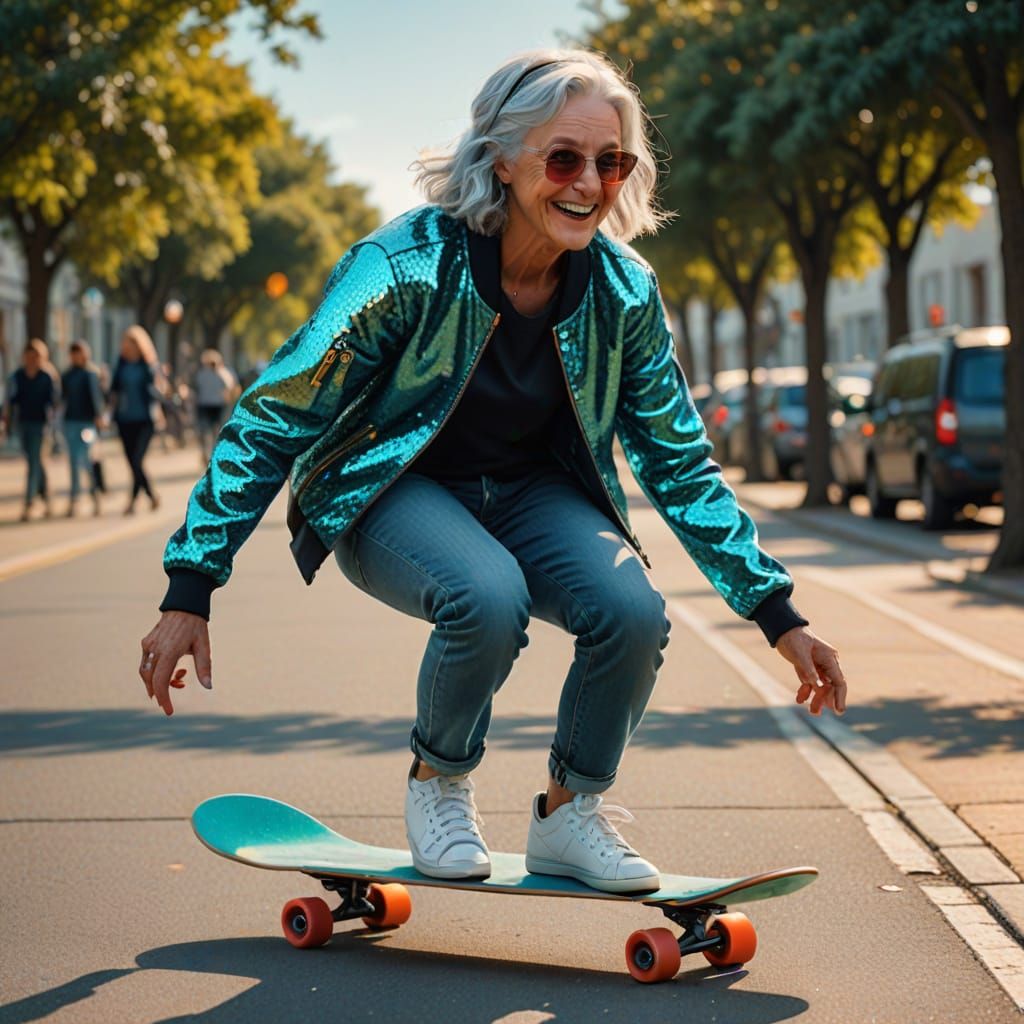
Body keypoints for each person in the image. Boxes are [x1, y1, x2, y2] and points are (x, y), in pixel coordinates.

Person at [139, 49, 848, 894]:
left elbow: (680, 462)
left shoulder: (623, 291)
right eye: (563, 158)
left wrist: (778, 612)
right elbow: (274, 412)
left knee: (632, 610)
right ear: (501, 158)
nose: (589, 182)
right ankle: (438, 784)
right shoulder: (405, 265)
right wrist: (191, 582)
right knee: (487, 594)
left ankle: (569, 814)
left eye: (611, 162)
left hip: (528, 497)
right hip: (390, 491)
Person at [108, 325, 161, 515]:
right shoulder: (121, 364)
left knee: (137, 461)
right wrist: (108, 413)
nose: (126, 346)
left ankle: (133, 501)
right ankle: (150, 496)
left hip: (145, 419)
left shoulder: (147, 366)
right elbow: (114, 390)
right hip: (124, 419)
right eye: (125, 343)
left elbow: (156, 390)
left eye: (130, 343)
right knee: (132, 462)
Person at [5, 339, 57, 521]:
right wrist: (7, 423)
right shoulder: (18, 375)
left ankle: (29, 502)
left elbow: (54, 402)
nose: (32, 359)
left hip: (41, 424)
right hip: (23, 423)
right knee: (35, 461)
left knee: (33, 463)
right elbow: (11, 402)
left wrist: (54, 426)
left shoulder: (47, 376)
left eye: (36, 356)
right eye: (29, 356)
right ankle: (47, 497)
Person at [60, 341, 105, 517]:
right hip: (70, 421)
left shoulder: (90, 374)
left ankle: (95, 495)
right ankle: (74, 498)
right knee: (72, 461)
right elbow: (62, 398)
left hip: (87, 423)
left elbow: (96, 398)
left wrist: (99, 417)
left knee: (86, 460)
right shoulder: (67, 375)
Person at [192, 348, 238, 465]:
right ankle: (208, 453)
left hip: (217, 406)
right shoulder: (201, 374)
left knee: (214, 431)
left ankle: (213, 453)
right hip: (206, 405)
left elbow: (231, 387)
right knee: (207, 431)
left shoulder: (223, 373)